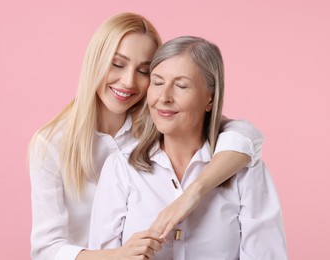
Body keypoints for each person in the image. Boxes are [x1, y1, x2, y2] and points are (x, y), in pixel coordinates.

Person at [29, 13, 264, 260]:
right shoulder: (51, 144)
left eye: (144, 71)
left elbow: (245, 135)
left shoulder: (161, 123)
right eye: (117, 64)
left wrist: (193, 193)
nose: (129, 81)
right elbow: (46, 249)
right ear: (95, 61)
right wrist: (119, 255)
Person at [88, 36, 287, 259]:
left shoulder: (245, 171)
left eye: (181, 86)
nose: (164, 97)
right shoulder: (121, 168)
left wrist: (192, 194)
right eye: (157, 82)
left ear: (209, 98)